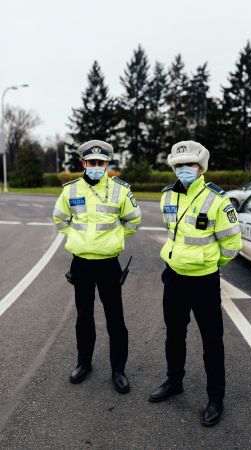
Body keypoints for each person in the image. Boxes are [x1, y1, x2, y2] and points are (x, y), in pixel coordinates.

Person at [149, 141, 242, 426]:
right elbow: (172, 234)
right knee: (174, 334)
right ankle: (174, 381)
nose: (184, 170)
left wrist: (210, 264)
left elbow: (232, 244)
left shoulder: (217, 200)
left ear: (201, 167)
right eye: (179, 166)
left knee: (211, 341)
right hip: (174, 277)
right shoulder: (167, 197)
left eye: (189, 165)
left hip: (203, 281)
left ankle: (216, 398)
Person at [52, 140, 141, 394]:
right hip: (81, 264)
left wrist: (116, 239)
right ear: (83, 163)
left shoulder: (120, 190)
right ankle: (84, 363)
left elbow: (134, 220)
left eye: (101, 163)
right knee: (84, 317)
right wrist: (73, 238)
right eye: (92, 163)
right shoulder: (70, 190)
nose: (96, 167)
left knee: (116, 319)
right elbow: (59, 218)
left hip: (108, 264)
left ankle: (118, 370)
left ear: (107, 165)